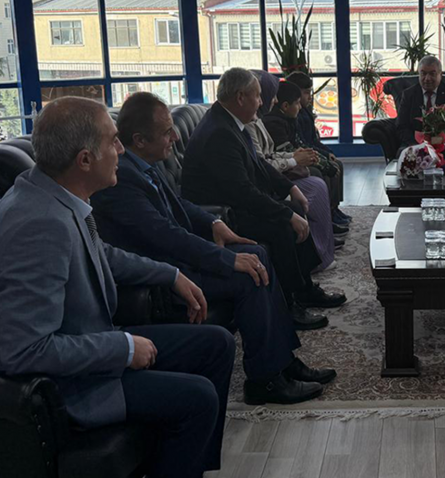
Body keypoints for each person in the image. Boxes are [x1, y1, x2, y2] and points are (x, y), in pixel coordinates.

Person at [0, 97, 235, 478]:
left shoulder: (50, 192)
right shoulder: (40, 225)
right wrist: (122, 348)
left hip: (87, 346)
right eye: (113, 141)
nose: (122, 150)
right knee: (199, 398)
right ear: (84, 160)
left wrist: (170, 274)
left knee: (216, 344)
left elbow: (101, 254)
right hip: (63, 388)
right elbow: (25, 351)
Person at [91, 92, 335, 405]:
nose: (175, 137)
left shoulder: (142, 165)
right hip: (163, 278)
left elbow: (177, 204)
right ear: (139, 140)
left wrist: (213, 222)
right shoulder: (122, 178)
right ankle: (264, 381)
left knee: (258, 256)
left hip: (178, 258)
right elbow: (165, 236)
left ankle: (283, 362)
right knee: (249, 273)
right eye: (167, 132)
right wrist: (226, 260)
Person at [180, 67, 346, 332]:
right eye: (257, 96)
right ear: (240, 97)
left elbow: (258, 164)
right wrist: (287, 214)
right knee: (283, 225)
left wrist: (290, 188)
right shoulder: (219, 132)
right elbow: (242, 191)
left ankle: (304, 290)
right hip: (221, 215)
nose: (261, 102)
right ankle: (289, 305)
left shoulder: (230, 121)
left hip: (234, 204)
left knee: (294, 208)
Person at [261, 79, 343, 269]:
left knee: (323, 173)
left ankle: (329, 222)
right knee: (316, 175)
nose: (273, 101)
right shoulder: (271, 122)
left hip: (284, 166)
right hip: (277, 176)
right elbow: (264, 161)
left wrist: (315, 156)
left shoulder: (286, 118)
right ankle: (318, 249)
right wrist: (299, 159)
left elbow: (294, 147)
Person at [285, 71, 350, 227]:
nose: (309, 97)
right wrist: (323, 156)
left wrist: (327, 152)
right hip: (304, 155)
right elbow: (302, 143)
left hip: (313, 151)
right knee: (324, 171)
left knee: (338, 164)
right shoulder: (295, 115)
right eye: (306, 93)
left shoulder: (306, 111)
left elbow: (313, 140)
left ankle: (334, 207)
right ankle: (327, 212)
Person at [396, 55, 445, 159]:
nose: (427, 78)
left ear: (440, 74)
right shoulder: (409, 94)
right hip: (415, 142)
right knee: (403, 154)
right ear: (419, 74)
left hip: (444, 143)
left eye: (432, 74)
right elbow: (401, 126)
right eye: (423, 73)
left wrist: (443, 142)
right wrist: (416, 144)